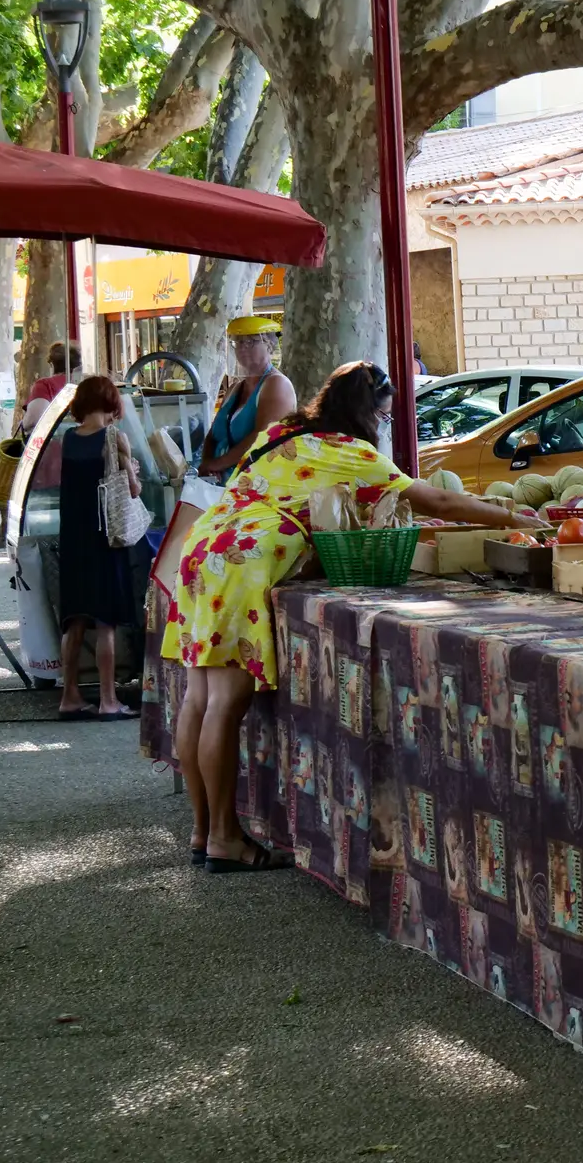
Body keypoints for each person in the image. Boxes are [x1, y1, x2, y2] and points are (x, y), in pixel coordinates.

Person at [163, 361, 538, 872]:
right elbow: (440, 501)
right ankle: (225, 839)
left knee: (199, 698)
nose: (383, 428)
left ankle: (203, 831)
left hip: (203, 549)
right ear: (366, 414)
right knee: (225, 703)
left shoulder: (281, 432)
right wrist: (513, 516)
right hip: (244, 564)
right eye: (383, 418)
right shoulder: (351, 454)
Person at [56, 375, 144, 722]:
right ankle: (109, 700)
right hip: (105, 538)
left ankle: (70, 696)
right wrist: (132, 469)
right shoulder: (114, 437)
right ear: (111, 402)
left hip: (74, 540)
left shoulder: (68, 439)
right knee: (105, 622)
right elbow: (133, 491)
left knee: (75, 620)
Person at [197, 316, 296, 483]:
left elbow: (263, 437)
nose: (243, 348)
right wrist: (207, 465)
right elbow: (213, 435)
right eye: (238, 342)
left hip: (255, 488)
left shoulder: (277, 384)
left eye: (251, 341)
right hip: (220, 486)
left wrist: (217, 464)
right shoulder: (234, 388)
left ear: (270, 346)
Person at [21, 341, 78, 432]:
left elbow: (33, 420)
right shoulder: (87, 383)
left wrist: (24, 423)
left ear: (51, 365)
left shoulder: (45, 385)